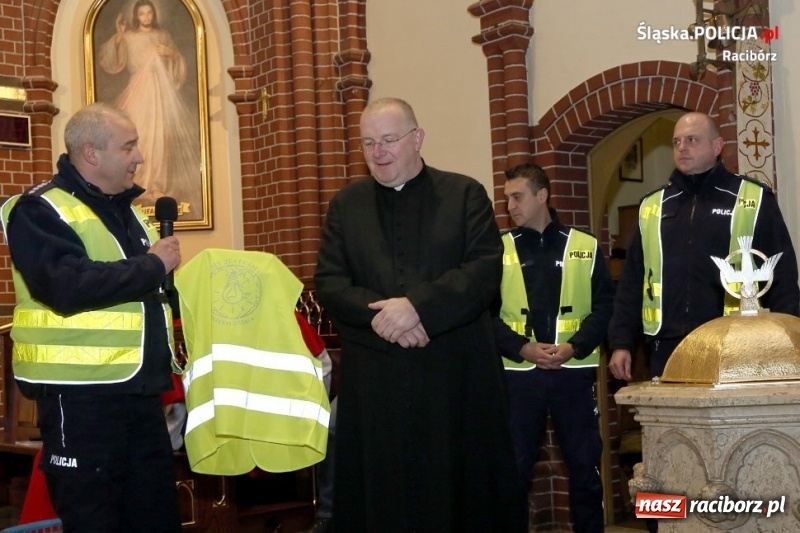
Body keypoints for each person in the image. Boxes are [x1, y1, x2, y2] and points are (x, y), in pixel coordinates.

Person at [314, 97, 525, 532]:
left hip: (455, 379)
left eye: (389, 139)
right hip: (377, 384)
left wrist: (417, 308)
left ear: (418, 138)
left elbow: (484, 271)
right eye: (368, 142)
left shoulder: (465, 194)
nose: (378, 152)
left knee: (462, 495)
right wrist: (390, 323)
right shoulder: (346, 206)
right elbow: (330, 283)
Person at [1, 103, 182, 532]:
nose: (139, 157)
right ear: (91, 153)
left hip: (139, 392)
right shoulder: (37, 210)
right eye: (129, 147)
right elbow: (64, 286)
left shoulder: (130, 213)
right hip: (80, 399)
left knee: (155, 516)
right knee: (94, 520)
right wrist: (153, 266)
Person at [608, 111, 800, 382]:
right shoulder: (652, 206)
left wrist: (786, 340)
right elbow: (632, 282)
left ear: (717, 146)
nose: (682, 147)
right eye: (676, 142)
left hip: (736, 342)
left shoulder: (753, 198)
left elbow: (782, 276)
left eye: (692, 140)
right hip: (667, 344)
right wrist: (621, 342)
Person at [493, 163, 614, 532]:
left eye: (518, 196)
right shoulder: (496, 249)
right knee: (512, 471)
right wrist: (522, 348)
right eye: (507, 198)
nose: (510, 205)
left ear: (542, 195)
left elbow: (605, 306)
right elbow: (483, 314)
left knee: (584, 468)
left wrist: (575, 347)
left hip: (572, 374)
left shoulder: (585, 244)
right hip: (518, 376)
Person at [98, 0, 202, 212]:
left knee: (161, 138)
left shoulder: (163, 36)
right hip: (139, 90)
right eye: (142, 14)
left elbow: (176, 62)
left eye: (149, 13)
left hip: (160, 92)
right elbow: (109, 58)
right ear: (137, 16)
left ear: (153, 15)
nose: (146, 17)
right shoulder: (128, 37)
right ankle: (139, 185)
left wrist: (170, 54)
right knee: (141, 135)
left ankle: (156, 186)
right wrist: (119, 35)